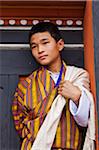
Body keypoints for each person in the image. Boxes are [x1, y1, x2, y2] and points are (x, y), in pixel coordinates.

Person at [12, 22, 95, 150]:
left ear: (60, 44)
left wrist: (77, 97)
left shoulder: (77, 77)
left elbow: (85, 122)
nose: (40, 50)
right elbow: (20, 124)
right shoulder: (25, 85)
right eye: (34, 46)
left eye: (45, 43)